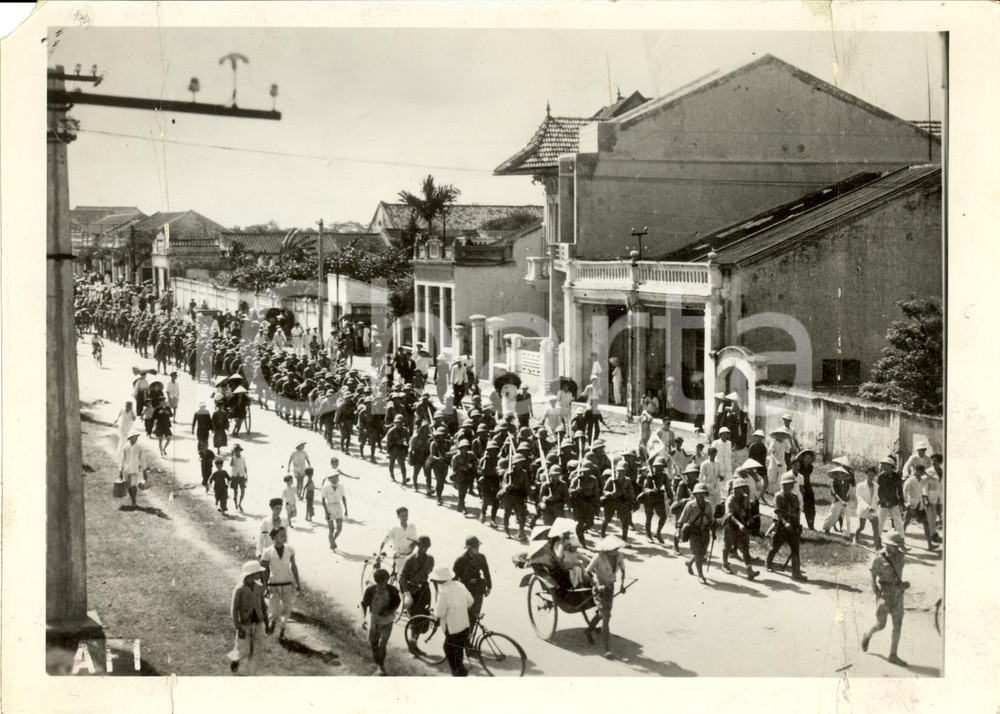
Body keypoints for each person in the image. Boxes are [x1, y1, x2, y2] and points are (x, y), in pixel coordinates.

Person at [860, 532, 910, 667]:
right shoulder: (878, 559)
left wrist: (902, 584)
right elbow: (872, 579)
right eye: (895, 546)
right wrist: (878, 595)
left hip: (898, 594)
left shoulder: (901, 556)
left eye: (898, 546)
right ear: (887, 545)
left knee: (898, 625)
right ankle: (867, 635)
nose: (898, 548)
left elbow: (898, 574)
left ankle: (893, 655)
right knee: (880, 625)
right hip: (884, 594)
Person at [584, 535, 626, 659]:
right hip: (599, 589)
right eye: (614, 548)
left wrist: (622, 585)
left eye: (617, 548)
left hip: (610, 588)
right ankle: (606, 649)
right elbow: (587, 572)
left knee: (602, 614)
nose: (616, 550)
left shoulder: (619, 556)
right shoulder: (598, 557)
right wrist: (596, 584)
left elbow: (623, 569)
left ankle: (587, 631)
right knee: (606, 617)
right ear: (607, 549)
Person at [227, 560, 270, 675]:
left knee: (256, 649)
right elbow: (234, 610)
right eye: (258, 573)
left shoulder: (258, 587)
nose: (260, 575)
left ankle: (252, 673)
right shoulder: (239, 589)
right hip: (245, 624)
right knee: (243, 649)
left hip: (258, 622)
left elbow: (263, 606)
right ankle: (235, 660)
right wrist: (238, 627)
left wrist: (266, 622)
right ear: (251, 575)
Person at [261, 526, 301, 642]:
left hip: (287, 583)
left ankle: (282, 632)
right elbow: (264, 570)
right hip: (273, 584)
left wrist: (298, 583)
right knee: (273, 607)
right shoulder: (268, 552)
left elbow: (293, 566)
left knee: (286, 608)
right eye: (282, 535)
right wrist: (264, 586)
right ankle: (272, 624)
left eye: (285, 534)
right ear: (274, 537)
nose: (285, 537)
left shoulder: (290, 550)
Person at [432, 567, 475, 677]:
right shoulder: (459, 584)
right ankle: (460, 668)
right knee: (459, 649)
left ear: (440, 580)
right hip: (465, 625)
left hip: (453, 628)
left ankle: (458, 672)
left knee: (449, 648)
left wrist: (435, 611)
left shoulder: (443, 591)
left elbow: (440, 613)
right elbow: (471, 601)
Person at [766, 473, 808, 581]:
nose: (790, 486)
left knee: (795, 550)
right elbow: (778, 512)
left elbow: (797, 512)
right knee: (775, 547)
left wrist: (798, 526)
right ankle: (768, 564)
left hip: (793, 527)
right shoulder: (778, 496)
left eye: (792, 484)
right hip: (781, 526)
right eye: (788, 484)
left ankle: (796, 573)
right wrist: (785, 523)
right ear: (783, 485)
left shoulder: (794, 496)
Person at [360, 567, 400, 676]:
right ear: (376, 580)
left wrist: (390, 611)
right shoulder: (370, 590)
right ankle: (378, 663)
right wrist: (363, 619)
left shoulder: (392, 590)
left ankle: (381, 666)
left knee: (383, 644)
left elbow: (397, 603)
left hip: (387, 622)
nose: (381, 585)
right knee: (374, 644)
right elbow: (364, 604)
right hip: (374, 621)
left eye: (384, 582)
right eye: (379, 583)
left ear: (387, 580)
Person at [721, 477, 760, 580]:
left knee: (745, 547)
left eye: (744, 487)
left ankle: (749, 571)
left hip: (741, 525)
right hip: (730, 525)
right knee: (727, 546)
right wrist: (739, 524)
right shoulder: (730, 499)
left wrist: (750, 518)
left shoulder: (745, 497)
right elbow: (729, 515)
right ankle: (725, 564)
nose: (743, 489)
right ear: (735, 489)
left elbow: (747, 510)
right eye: (741, 487)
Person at [677, 482, 715, 584]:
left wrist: (713, 530)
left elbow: (711, 519)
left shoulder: (708, 504)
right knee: (698, 555)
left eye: (703, 493)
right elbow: (682, 519)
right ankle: (701, 576)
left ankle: (689, 563)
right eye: (699, 493)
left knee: (701, 553)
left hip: (705, 531)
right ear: (695, 494)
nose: (701, 495)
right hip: (694, 531)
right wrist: (678, 530)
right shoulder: (690, 505)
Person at [453, 536, 492, 622]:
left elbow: (486, 572)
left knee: (474, 617)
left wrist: (489, 586)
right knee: (463, 618)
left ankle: (470, 634)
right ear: (469, 548)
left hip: (478, 590)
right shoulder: (461, 560)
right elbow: (454, 578)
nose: (477, 548)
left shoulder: (481, 557)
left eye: (478, 546)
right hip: (465, 591)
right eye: (475, 547)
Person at [400, 536, 435, 630]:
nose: (426, 548)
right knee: (414, 616)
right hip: (412, 589)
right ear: (418, 545)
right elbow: (402, 577)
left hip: (424, 589)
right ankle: (413, 638)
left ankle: (416, 635)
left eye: (427, 546)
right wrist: (407, 593)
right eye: (424, 546)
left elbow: (430, 572)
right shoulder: (410, 559)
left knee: (424, 615)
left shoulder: (430, 559)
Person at [903, 465, 938, 551]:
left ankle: (930, 545)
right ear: (916, 471)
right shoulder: (910, 480)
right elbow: (904, 492)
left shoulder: (922, 480)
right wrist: (907, 504)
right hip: (911, 505)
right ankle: (900, 544)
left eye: (922, 472)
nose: (921, 474)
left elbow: (923, 490)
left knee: (926, 524)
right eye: (920, 472)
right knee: (905, 523)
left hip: (920, 505)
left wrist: (925, 499)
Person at [381, 507, 418, 576]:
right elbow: (384, 541)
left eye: (406, 515)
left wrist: (411, 550)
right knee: (401, 575)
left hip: (409, 555)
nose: (405, 518)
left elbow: (416, 540)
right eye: (402, 516)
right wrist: (379, 552)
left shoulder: (412, 527)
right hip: (398, 555)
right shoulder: (394, 528)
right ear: (398, 516)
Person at [119, 427, 150, 508]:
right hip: (126, 469)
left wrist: (144, 471)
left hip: (135, 469)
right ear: (130, 438)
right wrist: (120, 470)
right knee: (128, 485)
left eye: (136, 437)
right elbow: (122, 459)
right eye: (134, 437)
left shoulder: (139, 447)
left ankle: (134, 500)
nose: (135, 438)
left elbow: (142, 460)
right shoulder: (125, 447)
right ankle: (132, 499)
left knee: (134, 485)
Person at [321, 463, 348, 551]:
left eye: (337, 476)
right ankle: (332, 542)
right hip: (330, 507)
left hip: (338, 506)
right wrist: (326, 511)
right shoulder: (326, 487)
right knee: (331, 529)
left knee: (339, 528)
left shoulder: (341, 486)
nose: (337, 478)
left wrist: (346, 509)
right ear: (330, 478)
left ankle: (332, 540)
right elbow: (323, 500)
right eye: (335, 477)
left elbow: (343, 497)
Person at [821, 465, 853, 538]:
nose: (839, 476)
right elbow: (834, 494)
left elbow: (848, 491)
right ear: (835, 475)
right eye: (837, 474)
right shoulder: (833, 483)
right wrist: (841, 501)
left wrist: (846, 498)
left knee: (846, 518)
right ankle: (826, 529)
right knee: (833, 516)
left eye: (841, 474)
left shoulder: (845, 483)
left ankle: (846, 534)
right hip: (837, 502)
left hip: (845, 502)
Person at [877, 456, 905, 538]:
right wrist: (885, 501)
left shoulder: (897, 476)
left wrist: (902, 502)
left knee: (898, 521)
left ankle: (901, 541)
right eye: (883, 465)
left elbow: (900, 490)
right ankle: (877, 541)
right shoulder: (881, 477)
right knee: (880, 521)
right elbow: (879, 491)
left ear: (891, 466)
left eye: (886, 465)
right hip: (883, 501)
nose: (884, 467)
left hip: (893, 501)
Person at [854, 467, 882, 549]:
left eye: (873, 475)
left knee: (875, 526)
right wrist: (867, 507)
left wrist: (879, 501)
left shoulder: (876, 485)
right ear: (866, 475)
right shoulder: (860, 486)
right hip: (863, 508)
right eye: (869, 475)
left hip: (873, 508)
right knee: (861, 527)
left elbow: (875, 496)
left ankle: (877, 545)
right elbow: (859, 498)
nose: (871, 477)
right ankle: (855, 538)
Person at [385, 414, 409, 484]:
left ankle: (404, 478)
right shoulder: (391, 431)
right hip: (393, 449)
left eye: (401, 422)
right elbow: (388, 442)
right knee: (392, 463)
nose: (400, 424)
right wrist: (388, 452)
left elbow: (408, 439)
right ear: (395, 423)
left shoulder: (405, 430)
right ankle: (392, 476)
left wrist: (406, 444)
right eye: (398, 422)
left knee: (402, 464)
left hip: (401, 449)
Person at [229, 444, 248, 512]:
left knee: (243, 492)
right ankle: (236, 504)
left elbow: (245, 467)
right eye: (236, 451)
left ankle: (240, 503)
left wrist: (247, 476)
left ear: (240, 451)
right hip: (234, 476)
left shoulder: (243, 458)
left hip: (242, 476)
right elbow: (231, 465)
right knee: (235, 493)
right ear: (234, 452)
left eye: (239, 451)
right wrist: (231, 456)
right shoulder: (233, 458)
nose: (238, 452)